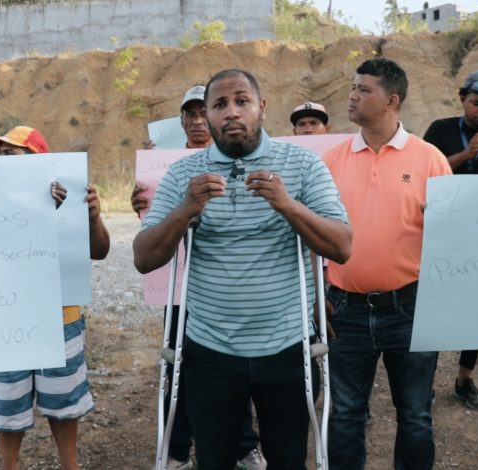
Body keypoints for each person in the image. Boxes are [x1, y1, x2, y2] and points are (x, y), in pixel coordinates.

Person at [133, 69, 351, 469]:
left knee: (287, 460)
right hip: (209, 350)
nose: (231, 113)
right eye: (219, 105)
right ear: (209, 116)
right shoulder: (184, 173)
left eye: (241, 101)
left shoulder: (303, 165)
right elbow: (144, 257)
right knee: (215, 460)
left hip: (287, 346)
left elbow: (341, 246)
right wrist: (186, 209)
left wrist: (288, 205)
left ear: (261, 108)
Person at [323, 58, 452, 470]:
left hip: (411, 309)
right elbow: (312, 236)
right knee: (344, 415)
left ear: (391, 100)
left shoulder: (430, 160)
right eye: (353, 86)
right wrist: (317, 295)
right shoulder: (330, 161)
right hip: (343, 309)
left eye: (364, 89)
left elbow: (450, 240)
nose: (353, 95)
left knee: (415, 415)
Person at [133, 85, 267, 470]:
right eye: (188, 115)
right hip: (178, 287)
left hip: (227, 288)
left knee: (231, 362)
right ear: (182, 122)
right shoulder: (163, 165)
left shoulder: (237, 159)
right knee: (177, 365)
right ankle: (176, 448)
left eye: (199, 113)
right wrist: (138, 204)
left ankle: (244, 444)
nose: (195, 121)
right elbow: (151, 223)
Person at [0, 125, 111, 470]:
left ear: (38, 160)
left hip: (61, 318)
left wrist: (92, 216)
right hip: (7, 318)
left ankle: (70, 465)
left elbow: (100, 251)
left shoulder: (71, 194)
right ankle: (10, 466)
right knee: (7, 402)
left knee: (64, 401)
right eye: (0, 154)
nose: (1, 161)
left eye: (10, 154)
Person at [422, 70, 478, 412]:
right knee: (432, 309)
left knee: (477, 310)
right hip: (441, 233)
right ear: (462, 99)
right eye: (476, 103)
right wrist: (464, 156)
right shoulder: (439, 131)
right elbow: (423, 176)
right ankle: (426, 383)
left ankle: (464, 380)